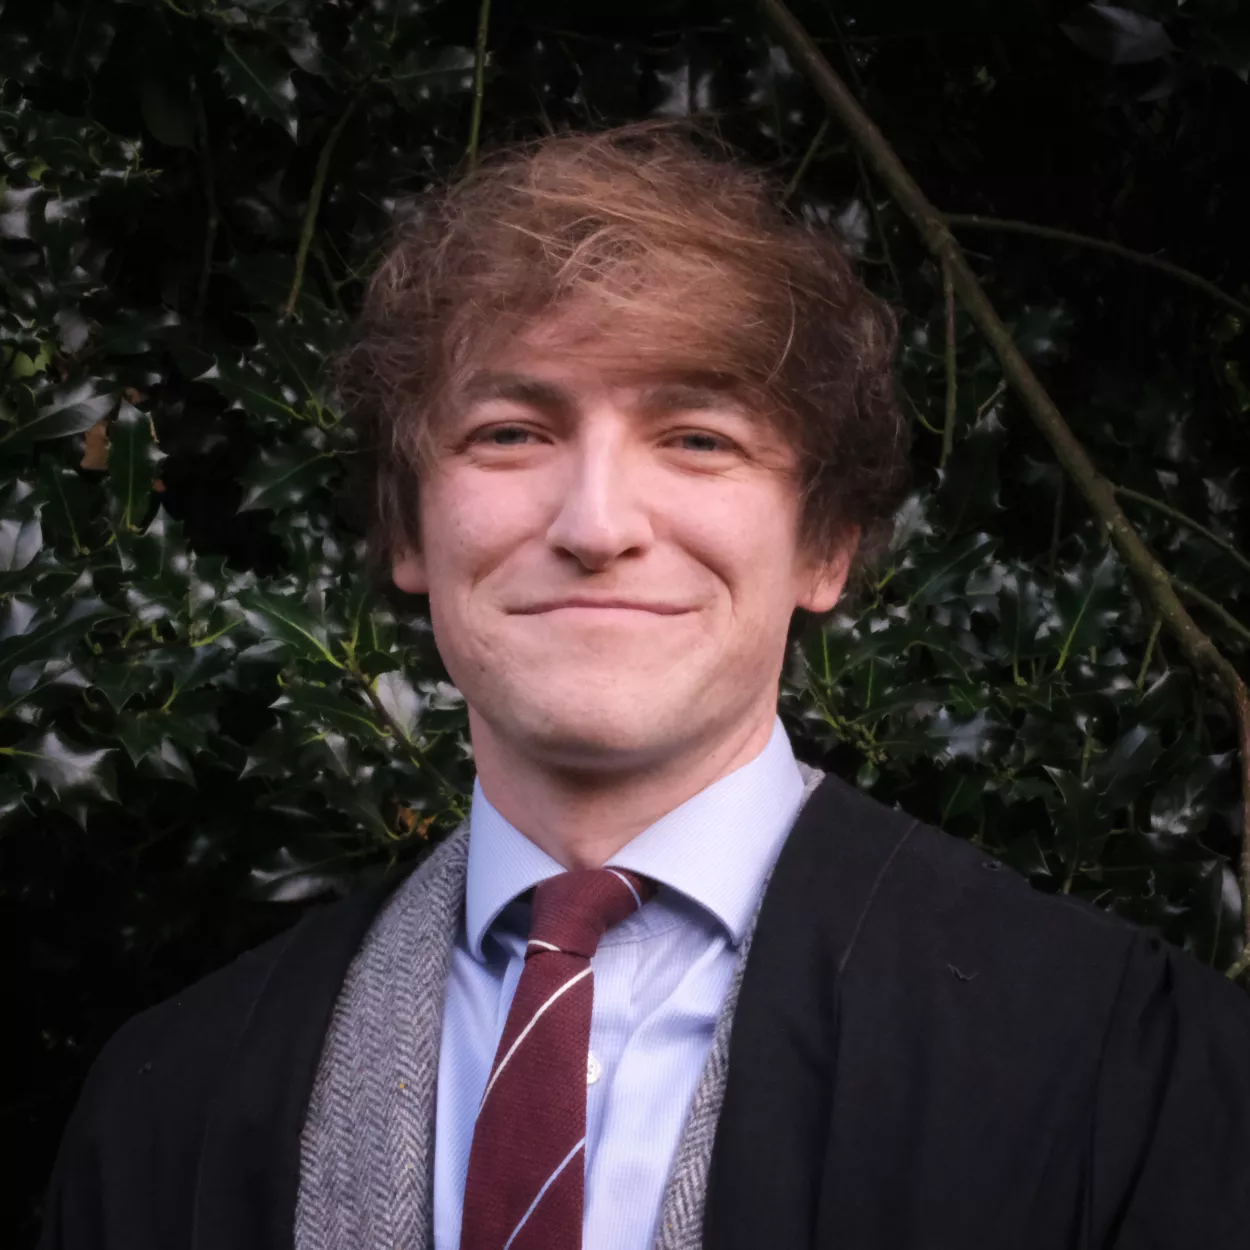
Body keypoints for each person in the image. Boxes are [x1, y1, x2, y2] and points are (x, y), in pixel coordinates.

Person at [39, 123, 1250, 1250]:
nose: (597, 523)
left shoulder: (1118, 1068)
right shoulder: (173, 1105)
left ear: (825, 543)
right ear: (407, 527)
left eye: (698, 438)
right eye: (510, 431)